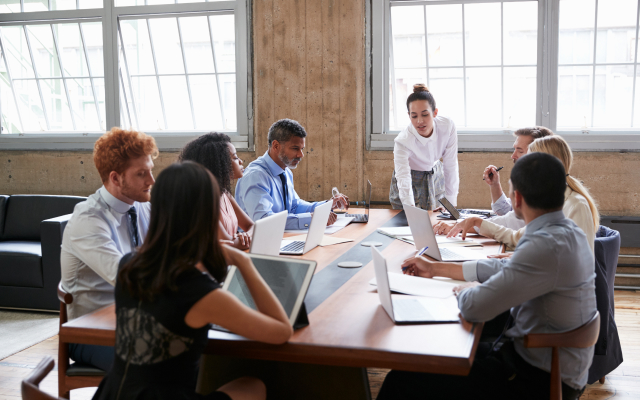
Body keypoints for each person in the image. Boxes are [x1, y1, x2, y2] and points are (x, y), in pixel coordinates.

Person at [380, 153, 597, 400]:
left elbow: (473, 307)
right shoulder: (566, 232)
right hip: (546, 363)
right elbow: (507, 270)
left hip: (534, 379)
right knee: (439, 354)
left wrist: (465, 290)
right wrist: (437, 269)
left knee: (402, 380)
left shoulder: (544, 245)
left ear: (516, 199)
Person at [92, 162, 292, 400]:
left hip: (113, 393)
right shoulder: (200, 293)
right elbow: (282, 331)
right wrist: (244, 263)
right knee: (254, 386)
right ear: (207, 213)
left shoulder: (130, 264)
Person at [60, 127, 157, 372]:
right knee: (160, 364)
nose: (151, 181)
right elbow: (128, 278)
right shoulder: (88, 220)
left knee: (202, 351)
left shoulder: (143, 205)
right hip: (91, 331)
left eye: (151, 171)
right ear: (115, 178)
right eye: (141, 174)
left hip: (138, 318)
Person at [445, 135, 598, 253]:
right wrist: (478, 222)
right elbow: (518, 237)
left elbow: (573, 266)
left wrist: (517, 260)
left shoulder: (576, 205)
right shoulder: (547, 200)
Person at [433, 126, 553, 234]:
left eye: (520, 151)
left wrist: (458, 226)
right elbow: (507, 211)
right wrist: (495, 185)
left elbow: (508, 222)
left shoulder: (542, 189)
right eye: (514, 149)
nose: (513, 155)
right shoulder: (534, 180)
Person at [235, 118, 348, 230]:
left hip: (282, 238)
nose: (301, 155)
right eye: (295, 148)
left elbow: (294, 206)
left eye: (302, 149)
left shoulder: (285, 171)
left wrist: (327, 205)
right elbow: (264, 220)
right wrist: (311, 218)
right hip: (255, 245)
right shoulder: (255, 176)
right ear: (276, 146)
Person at [389, 84, 459, 211]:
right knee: (408, 223)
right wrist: (410, 210)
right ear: (409, 115)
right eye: (414, 116)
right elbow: (403, 177)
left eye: (425, 114)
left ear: (435, 112)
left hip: (436, 174)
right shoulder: (403, 141)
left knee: (439, 220)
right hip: (410, 178)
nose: (419, 121)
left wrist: (451, 204)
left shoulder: (447, 126)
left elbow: (450, 165)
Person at [179, 132, 254, 250]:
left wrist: (245, 236)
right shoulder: (203, 202)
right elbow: (230, 245)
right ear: (219, 164)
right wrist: (244, 238)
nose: (240, 161)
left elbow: (251, 226)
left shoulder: (225, 193)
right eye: (234, 157)